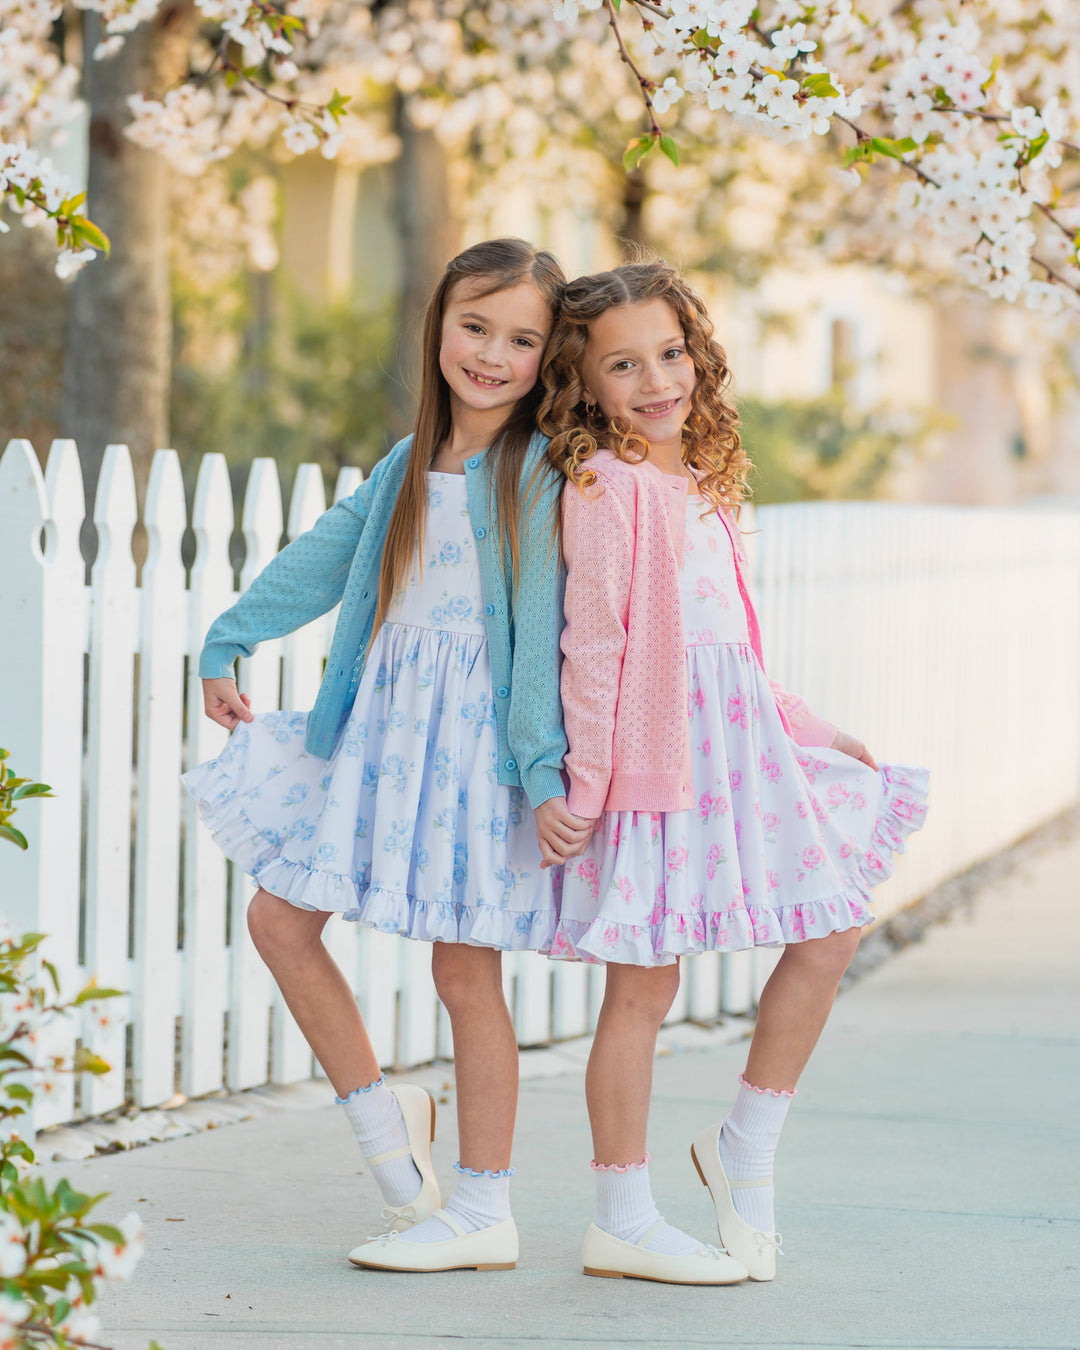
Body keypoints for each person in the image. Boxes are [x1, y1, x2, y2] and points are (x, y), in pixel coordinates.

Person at [183, 238, 592, 1275]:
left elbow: (547, 632)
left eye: (520, 340)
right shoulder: (408, 464)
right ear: (438, 327)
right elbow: (326, 555)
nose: (492, 354)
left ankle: (485, 1206)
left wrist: (543, 773)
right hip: (379, 735)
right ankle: (387, 1136)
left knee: (465, 969)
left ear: (549, 356)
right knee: (278, 918)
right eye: (474, 327)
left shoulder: (538, 475)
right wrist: (229, 634)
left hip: (477, 754)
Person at [537, 257, 928, 1285]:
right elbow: (595, 643)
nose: (658, 381)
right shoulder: (606, 486)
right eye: (624, 365)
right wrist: (585, 783)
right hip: (655, 762)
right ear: (584, 384)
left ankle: (745, 1143)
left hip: (740, 742)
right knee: (645, 984)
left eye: (670, 353)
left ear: (698, 356)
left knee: (835, 921)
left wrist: (806, 725)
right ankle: (619, 1214)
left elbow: (729, 647)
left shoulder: (700, 480)